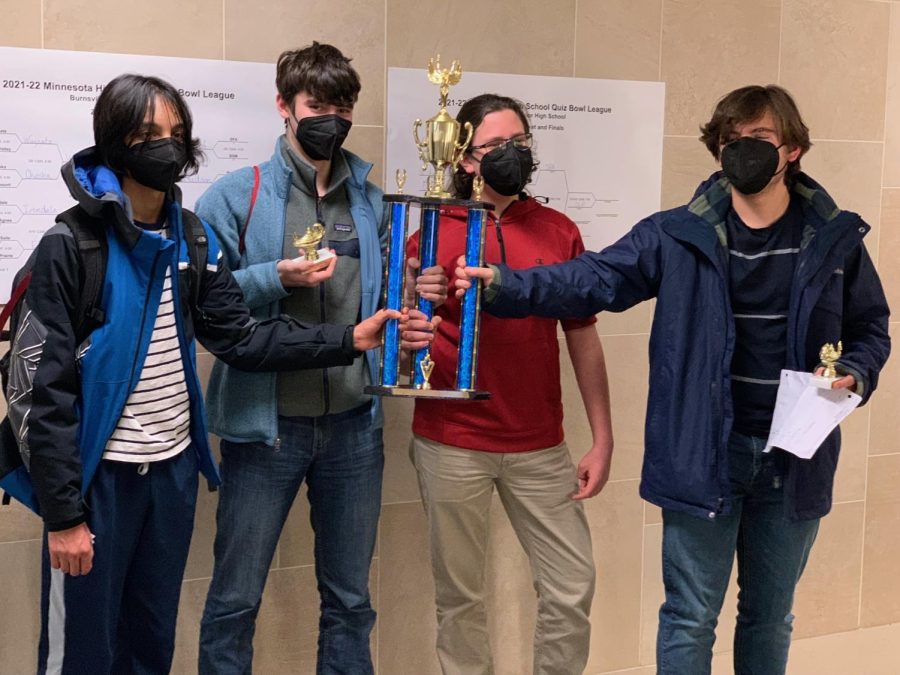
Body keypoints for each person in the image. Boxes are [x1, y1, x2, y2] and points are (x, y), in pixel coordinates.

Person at [456, 85, 891, 675]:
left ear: (790, 148)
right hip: (702, 451)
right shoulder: (677, 234)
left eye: (758, 139)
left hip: (795, 457)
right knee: (689, 616)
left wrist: (855, 372)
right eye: (731, 141)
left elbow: (871, 327)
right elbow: (594, 279)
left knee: (771, 616)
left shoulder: (835, 238)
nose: (743, 151)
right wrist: (505, 285)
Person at [0, 73, 424, 675]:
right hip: (98, 484)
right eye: (147, 135)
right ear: (113, 142)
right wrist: (64, 514)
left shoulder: (191, 237)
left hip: (171, 478)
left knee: (150, 647)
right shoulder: (70, 245)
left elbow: (242, 338)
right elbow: (38, 392)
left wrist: (345, 339)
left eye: (176, 134)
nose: (165, 147)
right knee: (83, 656)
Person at [194, 42, 446, 675]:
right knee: (233, 602)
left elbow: (386, 302)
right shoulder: (232, 196)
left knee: (352, 603)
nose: (330, 118)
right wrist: (274, 277)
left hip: (354, 430)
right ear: (284, 106)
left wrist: (412, 305)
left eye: (342, 106)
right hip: (265, 430)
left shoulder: (368, 200)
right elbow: (206, 305)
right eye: (316, 105)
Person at [408, 93, 614, 675]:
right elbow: (403, 326)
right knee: (461, 600)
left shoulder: (558, 230)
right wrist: (412, 323)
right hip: (451, 441)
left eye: (520, 142)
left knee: (571, 587)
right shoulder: (431, 225)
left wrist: (602, 436)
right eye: (496, 146)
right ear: (466, 158)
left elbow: (583, 336)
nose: (512, 154)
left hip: (540, 445)